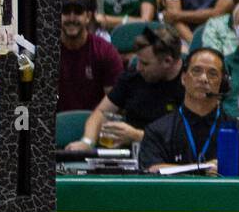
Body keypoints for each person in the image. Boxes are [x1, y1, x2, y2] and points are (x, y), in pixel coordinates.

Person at [139, 47, 239, 174]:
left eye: (212, 73)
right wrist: (203, 169)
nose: (203, 79)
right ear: (183, 78)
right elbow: (151, 170)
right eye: (196, 71)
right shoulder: (158, 131)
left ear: (222, 83)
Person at [67, 22, 184, 151]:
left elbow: (187, 137)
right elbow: (101, 112)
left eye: (145, 63)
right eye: (138, 60)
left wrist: (137, 135)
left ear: (167, 61)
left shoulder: (191, 84)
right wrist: (87, 141)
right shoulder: (133, 76)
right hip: (131, 155)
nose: (138, 68)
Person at [57, 0, 124, 112]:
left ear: (88, 16)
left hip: (95, 126)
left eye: (77, 12)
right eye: (66, 12)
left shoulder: (105, 51)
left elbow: (116, 101)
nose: (71, 18)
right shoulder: (48, 53)